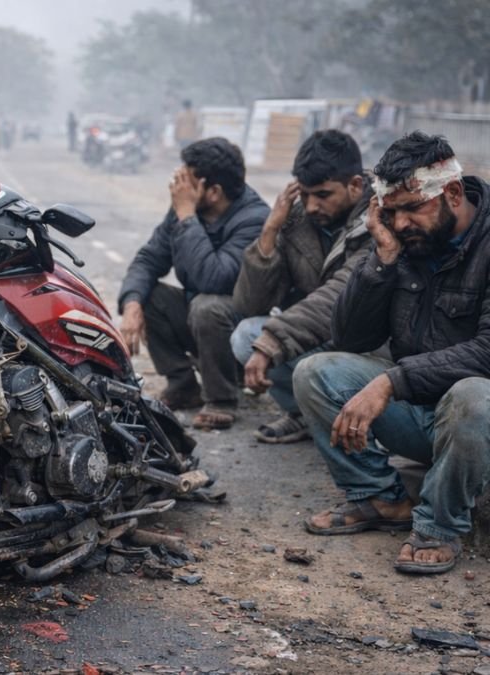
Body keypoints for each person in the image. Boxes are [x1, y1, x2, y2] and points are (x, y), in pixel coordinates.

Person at [294, 132, 490, 576]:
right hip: (424, 412)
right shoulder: (406, 243)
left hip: (477, 424)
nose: (400, 223)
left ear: (453, 193)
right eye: (391, 211)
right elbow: (348, 338)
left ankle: (438, 527)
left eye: (412, 208)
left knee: (475, 397)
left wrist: (390, 382)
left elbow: (486, 351)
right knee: (316, 372)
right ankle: (380, 498)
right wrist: (380, 260)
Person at [117, 138, 269, 430]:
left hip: (243, 335)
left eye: (186, 180)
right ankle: (183, 384)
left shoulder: (254, 219)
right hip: (200, 322)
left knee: (207, 306)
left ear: (213, 191)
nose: (177, 187)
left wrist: (187, 216)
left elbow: (215, 279)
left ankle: (222, 397)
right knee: (149, 296)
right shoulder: (185, 211)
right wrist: (132, 302)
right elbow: (149, 259)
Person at [231, 130, 372, 443]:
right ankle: (304, 414)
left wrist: (271, 344)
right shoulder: (297, 221)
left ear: (356, 186)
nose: (310, 206)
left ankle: (358, 419)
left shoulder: (380, 219)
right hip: (320, 332)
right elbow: (250, 305)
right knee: (245, 335)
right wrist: (269, 232)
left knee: (265, 340)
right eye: (305, 195)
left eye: (322, 195)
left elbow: (340, 294)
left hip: (371, 343)